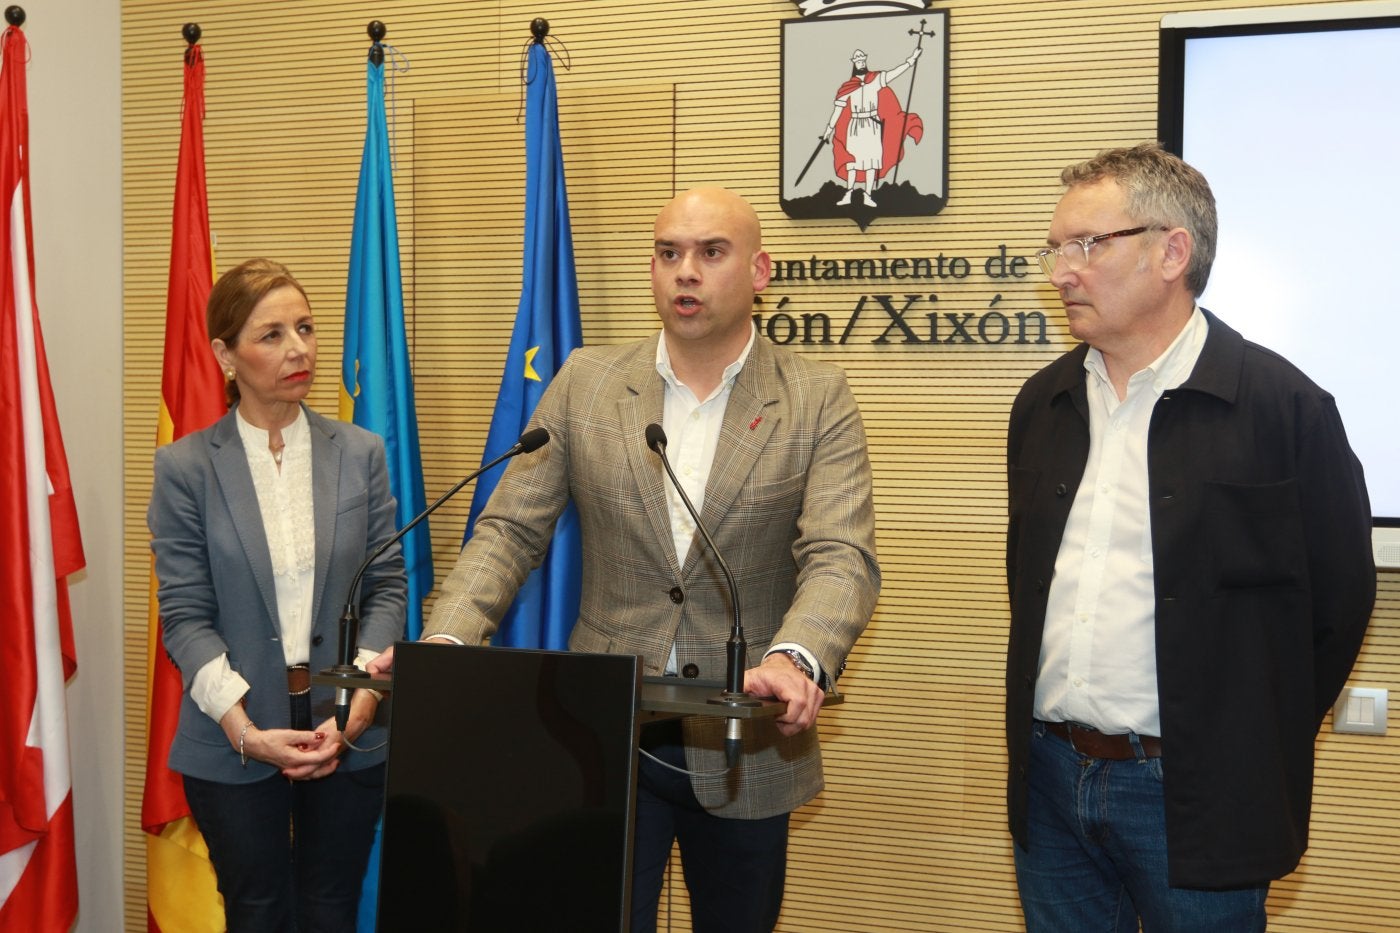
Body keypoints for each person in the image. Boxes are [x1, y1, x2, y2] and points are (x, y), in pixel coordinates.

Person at [370, 187, 880, 932]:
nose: (686, 272)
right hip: (598, 739)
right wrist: (445, 644)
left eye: (712, 252)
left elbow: (841, 554)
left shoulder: (816, 397)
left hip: (746, 734)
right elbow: (509, 530)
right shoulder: (588, 384)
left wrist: (797, 657)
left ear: (761, 270)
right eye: (669, 253)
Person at [1005, 142, 1375, 931]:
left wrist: (1244, 734)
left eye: (1086, 245)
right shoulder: (1043, 403)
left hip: (1198, 793)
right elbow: (1027, 579)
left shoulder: (1285, 408)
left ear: (1173, 251)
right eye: (1055, 248)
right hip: (1049, 777)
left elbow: (1339, 604)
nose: (1060, 270)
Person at [148, 258, 406, 932]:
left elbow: (388, 586)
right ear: (223, 355)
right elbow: (184, 614)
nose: (298, 348)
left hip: (346, 732)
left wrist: (358, 701)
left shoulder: (360, 452)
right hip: (231, 737)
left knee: (331, 909)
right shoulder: (185, 468)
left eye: (306, 327)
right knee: (257, 912)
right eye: (271, 335)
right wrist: (245, 731)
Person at [822, 47, 922, 207]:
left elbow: (894, 73)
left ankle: (868, 195)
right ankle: (849, 194)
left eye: (862, 59)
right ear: (854, 63)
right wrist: (828, 129)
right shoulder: (848, 87)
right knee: (852, 161)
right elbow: (838, 111)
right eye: (858, 60)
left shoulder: (875, 79)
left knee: (871, 162)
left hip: (872, 124)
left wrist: (911, 60)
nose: (861, 62)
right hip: (855, 125)